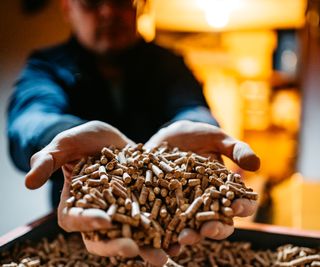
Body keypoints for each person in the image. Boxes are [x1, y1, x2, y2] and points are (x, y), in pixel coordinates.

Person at [7, 0, 260, 265]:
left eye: (121, 0)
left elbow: (191, 108)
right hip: (81, 231)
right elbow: (30, 119)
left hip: (179, 240)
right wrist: (60, 135)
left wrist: (197, 130)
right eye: (90, 3)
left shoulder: (169, 65)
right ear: (67, 8)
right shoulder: (45, 66)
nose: (108, 10)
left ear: (139, 6)